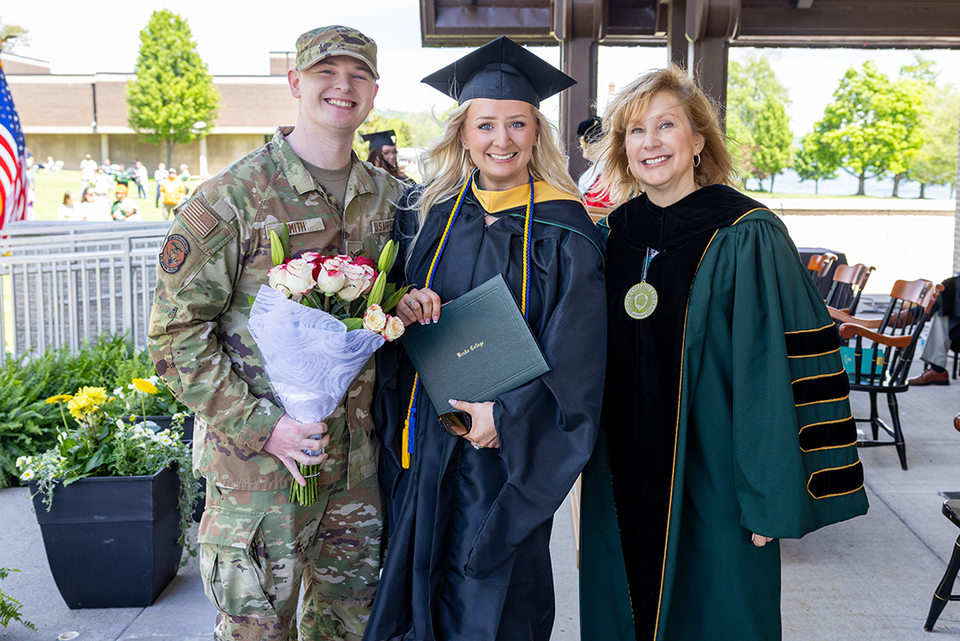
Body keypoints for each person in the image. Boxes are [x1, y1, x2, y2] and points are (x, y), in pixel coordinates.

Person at [578, 65, 870, 641]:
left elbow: (778, 370)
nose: (651, 142)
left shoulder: (746, 232)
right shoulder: (613, 235)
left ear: (698, 140)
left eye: (667, 126)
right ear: (621, 148)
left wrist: (770, 495)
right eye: (636, 131)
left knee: (719, 612)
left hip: (714, 477)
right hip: (617, 476)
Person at [147, 25, 405, 641]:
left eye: (357, 76)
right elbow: (174, 338)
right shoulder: (232, 198)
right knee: (257, 633)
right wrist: (268, 429)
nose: (342, 87)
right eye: (325, 73)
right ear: (295, 82)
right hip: (257, 476)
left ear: (373, 92)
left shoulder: (392, 201)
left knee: (350, 630)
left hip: (354, 471)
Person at [365, 36, 606, 641]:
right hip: (427, 437)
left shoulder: (565, 228)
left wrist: (512, 416)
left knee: (494, 594)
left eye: (517, 123)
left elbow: (578, 354)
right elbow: (389, 316)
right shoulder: (430, 215)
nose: (502, 139)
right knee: (420, 575)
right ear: (463, 134)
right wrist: (403, 304)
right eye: (487, 124)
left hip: (507, 454)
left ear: (536, 133)